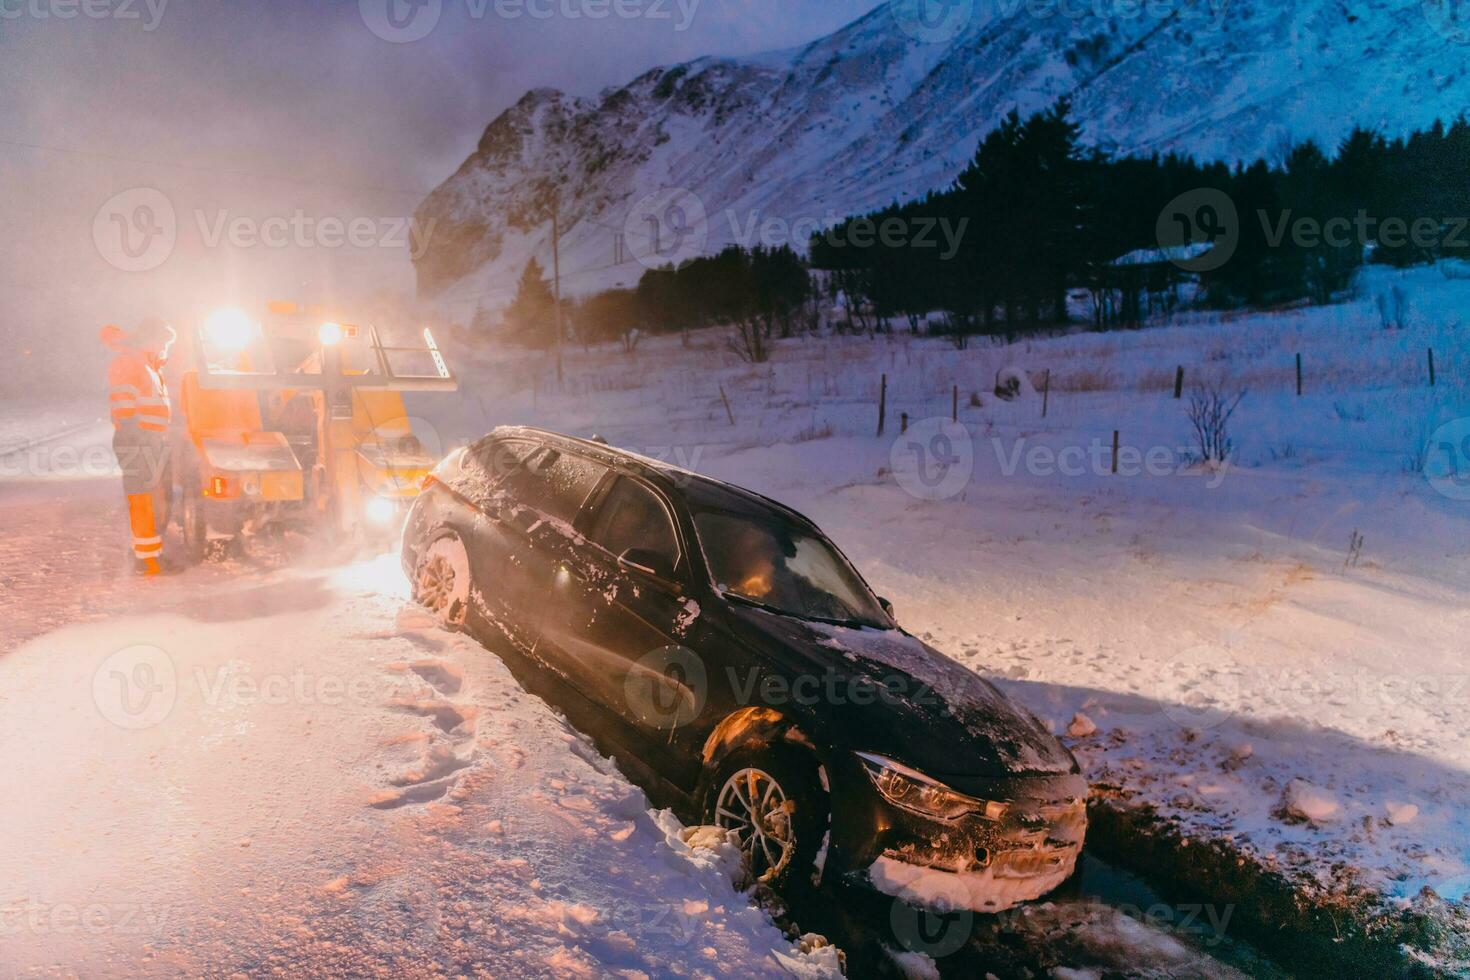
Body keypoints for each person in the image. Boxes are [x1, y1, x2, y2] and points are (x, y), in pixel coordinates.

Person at [102, 318, 177, 576]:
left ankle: (149, 555)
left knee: (151, 498)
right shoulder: (130, 362)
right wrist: (135, 431)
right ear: (150, 339)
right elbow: (123, 402)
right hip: (137, 438)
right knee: (142, 499)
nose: (165, 347)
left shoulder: (148, 365)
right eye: (163, 341)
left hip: (149, 438)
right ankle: (147, 561)